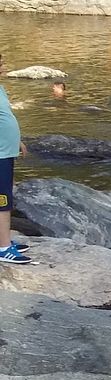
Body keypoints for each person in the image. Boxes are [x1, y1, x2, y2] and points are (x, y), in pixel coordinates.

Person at [0, 53, 33, 265]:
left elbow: (5, 116)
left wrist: (17, 141)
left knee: (6, 197)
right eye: (0, 62)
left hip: (6, 151)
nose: (3, 65)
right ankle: (3, 248)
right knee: (2, 201)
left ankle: (4, 240)